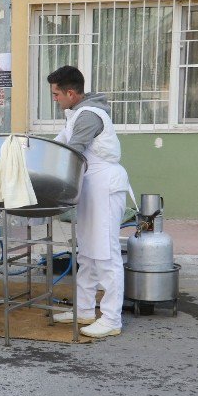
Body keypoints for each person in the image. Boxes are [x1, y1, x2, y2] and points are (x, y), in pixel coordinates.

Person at [48, 65, 130, 338]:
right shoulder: (75, 115)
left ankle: (111, 319)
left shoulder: (89, 116)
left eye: (56, 94)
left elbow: (71, 153)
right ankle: (84, 310)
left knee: (105, 253)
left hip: (105, 186)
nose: (55, 99)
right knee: (86, 252)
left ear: (71, 93)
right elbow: (56, 147)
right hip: (90, 186)